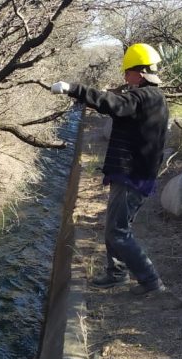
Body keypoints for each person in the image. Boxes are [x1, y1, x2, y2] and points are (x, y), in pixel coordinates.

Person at [51, 43, 169, 295]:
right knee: (115, 226)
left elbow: (113, 103)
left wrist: (74, 89)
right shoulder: (152, 98)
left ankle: (151, 282)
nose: (124, 76)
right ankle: (116, 272)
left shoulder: (143, 97)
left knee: (117, 232)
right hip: (136, 174)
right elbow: (120, 104)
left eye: (127, 72)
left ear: (139, 72)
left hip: (132, 177)